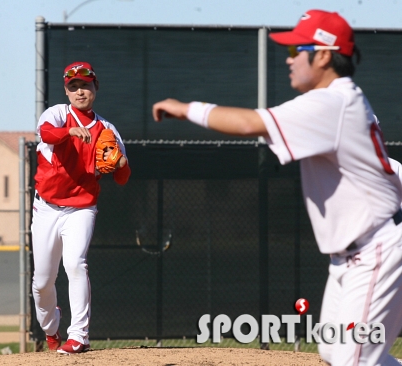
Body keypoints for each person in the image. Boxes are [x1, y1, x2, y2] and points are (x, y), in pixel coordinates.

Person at [152, 10, 402, 366]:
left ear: (325, 54)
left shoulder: (331, 102)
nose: (288, 60)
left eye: (294, 50)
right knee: (335, 352)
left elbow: (248, 122)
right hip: (352, 254)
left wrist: (186, 108)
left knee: (353, 360)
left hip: (376, 249)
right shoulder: (337, 100)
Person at [32, 61, 131, 354]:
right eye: (73, 86)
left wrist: (121, 164)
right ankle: (52, 331)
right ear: (66, 90)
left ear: (95, 88)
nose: (79, 91)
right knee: (41, 283)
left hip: (82, 208)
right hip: (47, 208)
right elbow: (47, 134)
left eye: (85, 85)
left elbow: (123, 178)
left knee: (76, 264)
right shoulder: (58, 114)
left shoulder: (107, 130)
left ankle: (79, 336)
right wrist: (71, 132)